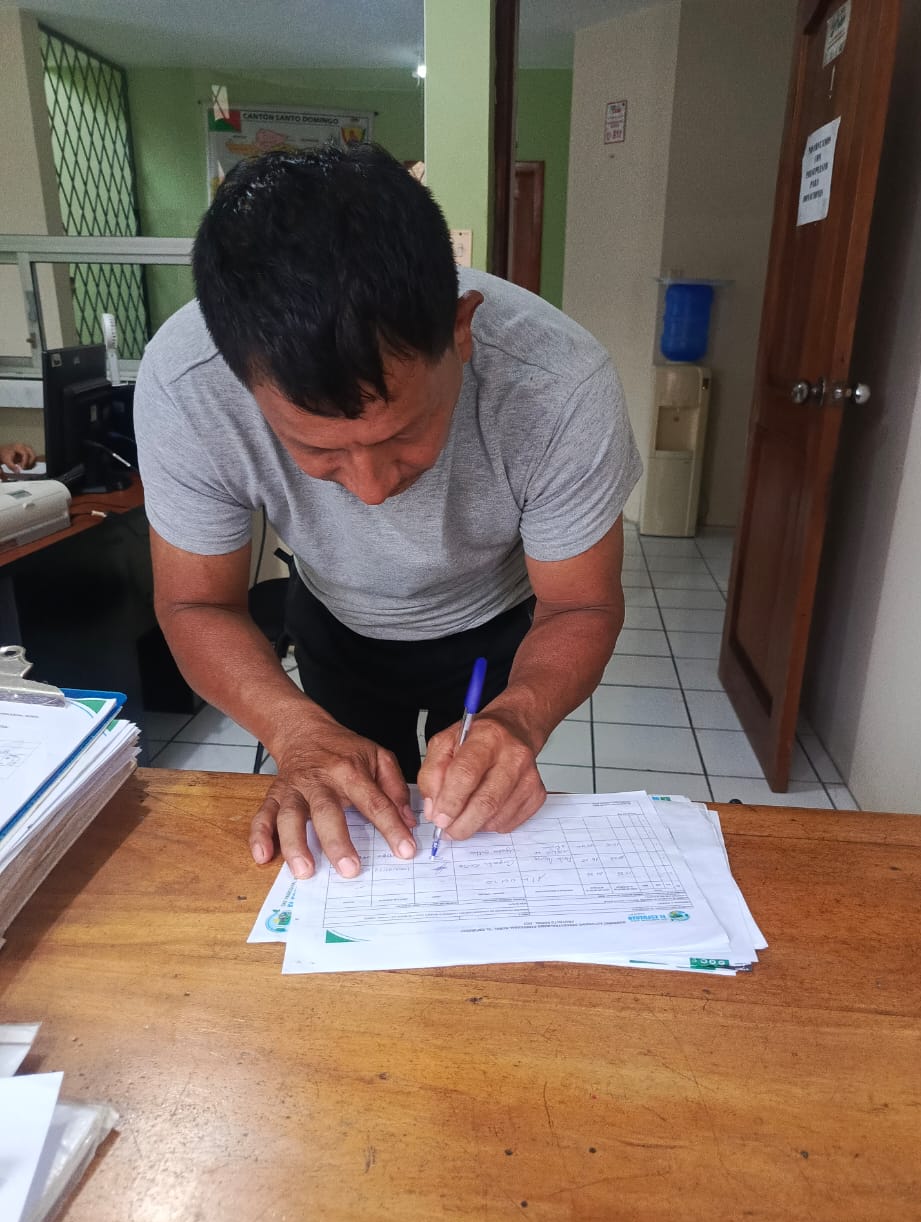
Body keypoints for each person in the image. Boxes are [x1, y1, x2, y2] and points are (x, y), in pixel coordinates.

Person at [134, 144, 641, 883]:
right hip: (334, 620)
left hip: (497, 627)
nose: (371, 491)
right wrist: (293, 730)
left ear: (461, 331)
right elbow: (194, 603)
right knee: (346, 810)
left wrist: (519, 717)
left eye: (404, 433)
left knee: (474, 811)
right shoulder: (188, 384)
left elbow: (581, 604)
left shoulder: (559, 385)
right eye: (318, 449)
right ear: (239, 381)